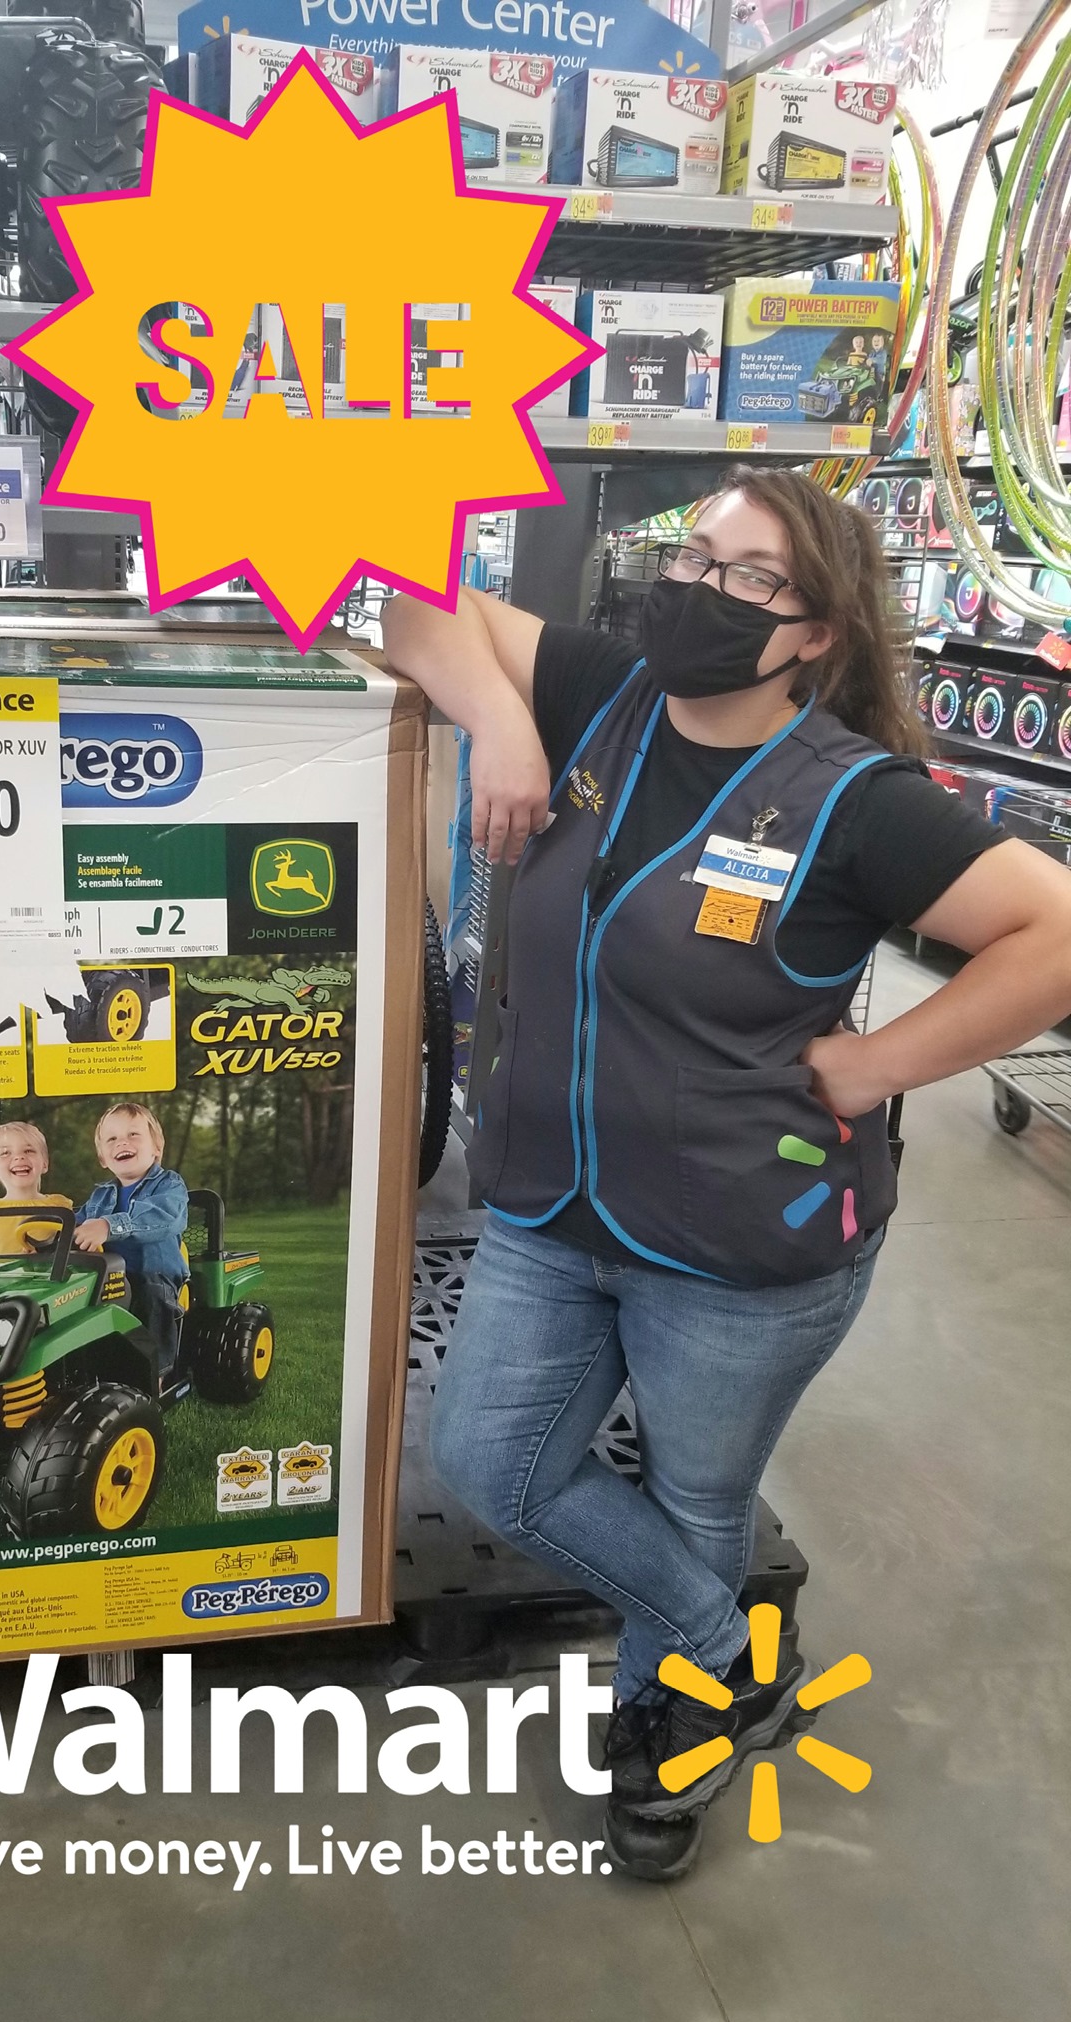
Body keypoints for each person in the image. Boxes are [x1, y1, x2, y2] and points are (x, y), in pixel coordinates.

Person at [382, 466, 1071, 1881]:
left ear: (815, 630)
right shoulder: (605, 699)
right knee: (491, 1461)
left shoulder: (858, 800)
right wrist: (502, 721)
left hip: (742, 1245)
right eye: (695, 555)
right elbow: (409, 600)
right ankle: (724, 1648)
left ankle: (670, 1735)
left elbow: (1051, 933)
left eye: (750, 577)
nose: (700, 587)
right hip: (549, 1203)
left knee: (698, 1502)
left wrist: (876, 1067)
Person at [73, 1103, 189, 1380]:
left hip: (153, 1274)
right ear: (103, 1158)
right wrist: (53, 1234)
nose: (122, 1143)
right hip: (108, 1278)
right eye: (112, 1139)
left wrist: (107, 1225)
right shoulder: (100, 1196)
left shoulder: (169, 1185)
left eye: (133, 1135)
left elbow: (165, 1217)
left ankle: (156, 1373)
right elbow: (77, 1224)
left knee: (151, 1296)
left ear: (156, 1147)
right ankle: (85, 1372)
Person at [0, 1121, 73, 1257]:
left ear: (45, 1163)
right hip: (5, 1272)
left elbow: (70, 1251)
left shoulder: (60, 1204)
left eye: (28, 1151)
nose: (19, 1157)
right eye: (5, 1153)